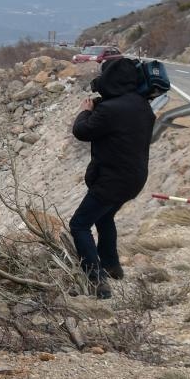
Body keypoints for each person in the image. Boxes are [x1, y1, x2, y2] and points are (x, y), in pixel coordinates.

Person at [69, 57, 155, 299]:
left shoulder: (110, 109)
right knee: (105, 217)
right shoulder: (142, 104)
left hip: (112, 180)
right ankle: (112, 265)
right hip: (135, 178)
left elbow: (82, 131)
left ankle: (96, 280)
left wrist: (84, 112)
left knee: (79, 224)